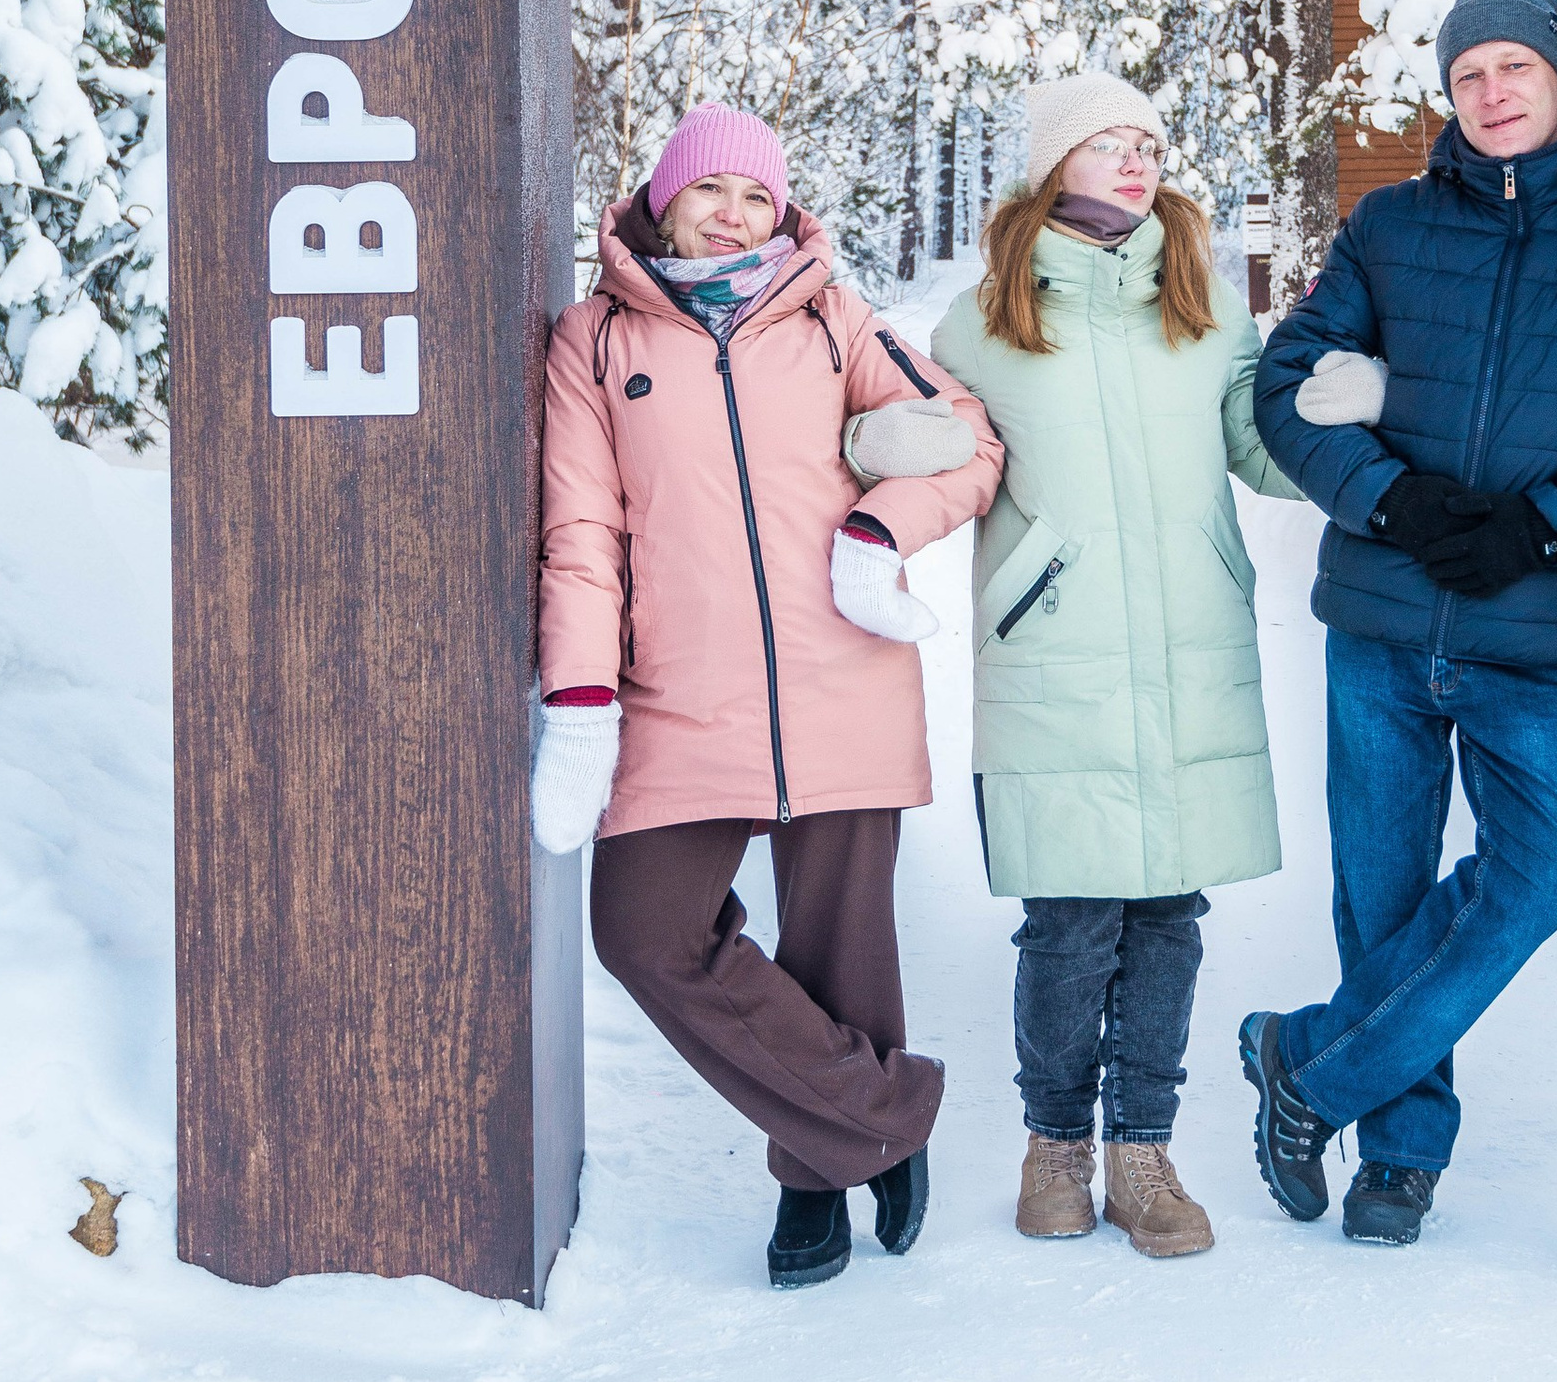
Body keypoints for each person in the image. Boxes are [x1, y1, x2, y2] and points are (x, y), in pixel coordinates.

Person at [1245, 0, 1557, 1247]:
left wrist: (1546, 523)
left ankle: (1307, 1065)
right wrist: (1391, 505)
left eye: (1512, 67)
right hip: (1382, 621)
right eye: (1467, 75)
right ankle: (1401, 1151)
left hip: (1531, 621)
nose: (1492, 92)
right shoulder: (1389, 226)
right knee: (1383, 897)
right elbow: (1287, 383)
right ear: (1447, 93)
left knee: (1543, 869)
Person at [532, 101, 1003, 1292]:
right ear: (664, 201)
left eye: (755, 195)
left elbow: (965, 440)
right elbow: (580, 531)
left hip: (839, 671)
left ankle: (812, 1179)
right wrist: (582, 698)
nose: (734, 213)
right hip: (677, 695)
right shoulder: (594, 343)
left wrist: (874, 527)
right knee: (643, 929)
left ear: (782, 211)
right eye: (710, 192)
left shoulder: (837, 321)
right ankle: (886, 1116)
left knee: (842, 943)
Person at [925, 74, 1297, 1259]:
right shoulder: (981, 321)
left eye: (1148, 142)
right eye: (1106, 144)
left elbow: (1257, 446)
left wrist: (1340, 420)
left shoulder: (1205, 306)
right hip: (1056, 646)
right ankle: (1053, 1146)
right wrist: (885, 449)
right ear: (1052, 165)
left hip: (1189, 635)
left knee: (1170, 909)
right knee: (1070, 914)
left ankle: (1143, 1152)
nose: (1136, 163)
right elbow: (949, 460)